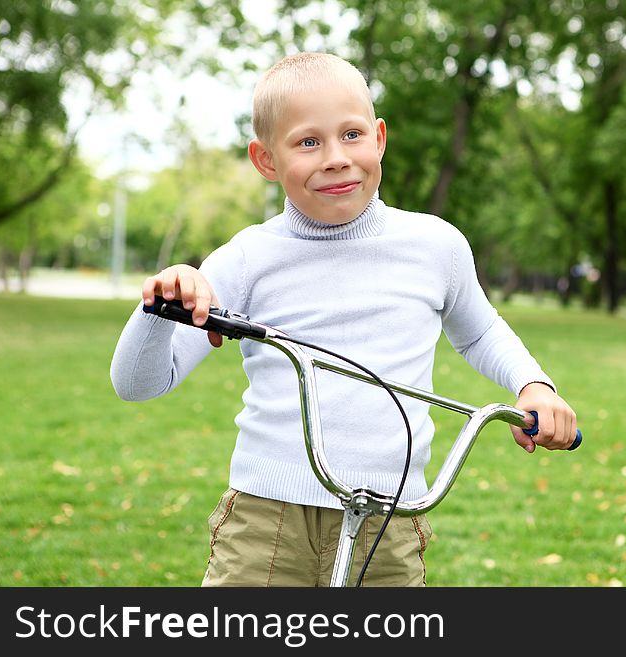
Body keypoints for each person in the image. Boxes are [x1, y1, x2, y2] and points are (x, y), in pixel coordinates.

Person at [110, 52, 578, 587]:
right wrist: (160, 305)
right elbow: (138, 385)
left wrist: (534, 384)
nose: (336, 158)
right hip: (267, 521)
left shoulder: (435, 245)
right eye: (308, 142)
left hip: (390, 523)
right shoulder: (245, 259)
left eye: (351, 135)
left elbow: (480, 331)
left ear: (379, 138)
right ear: (266, 160)